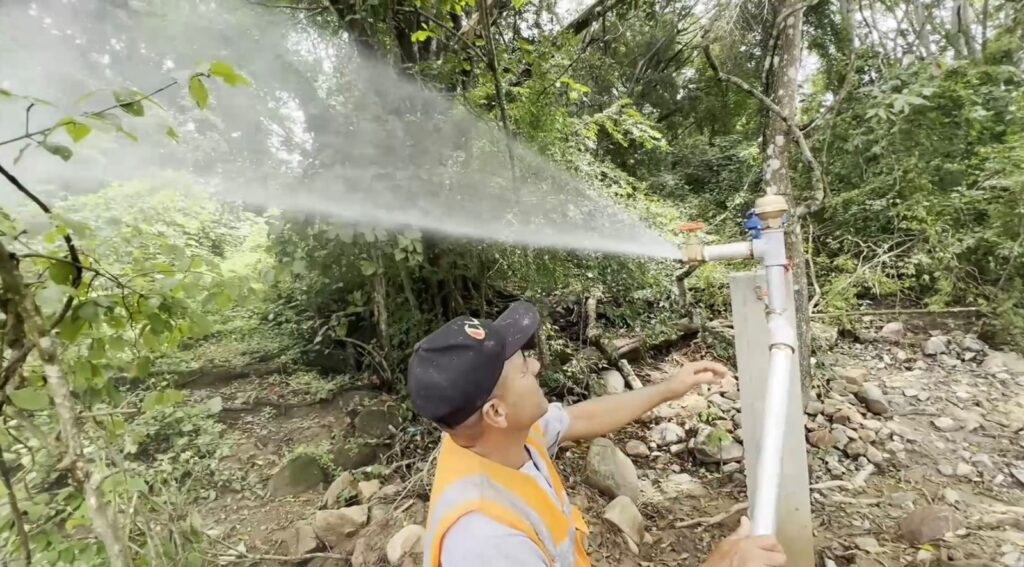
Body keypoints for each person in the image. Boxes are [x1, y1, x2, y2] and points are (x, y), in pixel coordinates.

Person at [407, 300, 787, 567]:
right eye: (524, 368)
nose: (537, 365)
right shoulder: (486, 542)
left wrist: (667, 389)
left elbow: (580, 418)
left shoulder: (488, 437)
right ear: (496, 412)